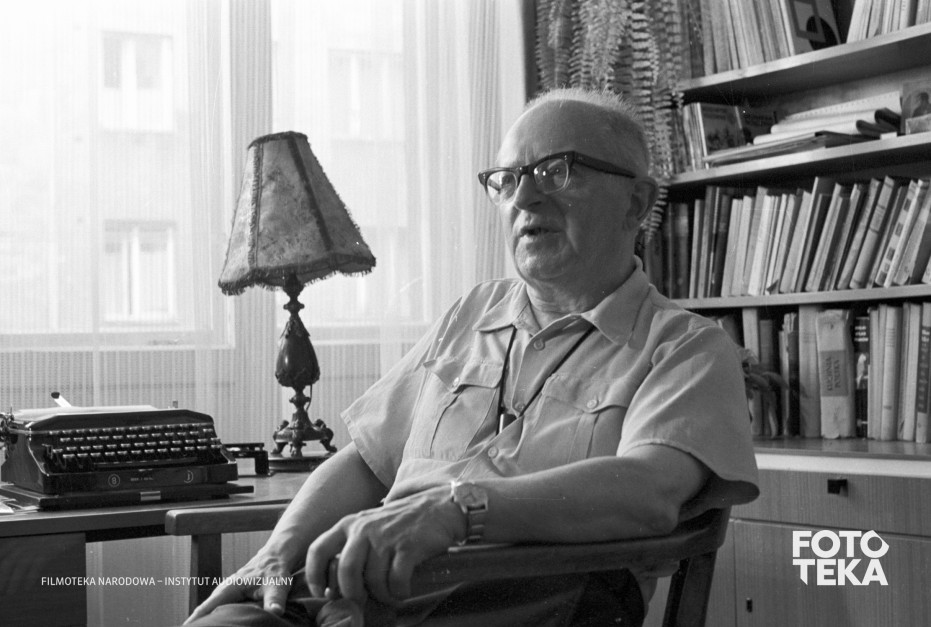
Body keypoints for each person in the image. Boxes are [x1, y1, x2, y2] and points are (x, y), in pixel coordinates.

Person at [182, 87, 759, 627]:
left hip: (522, 601)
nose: (525, 197)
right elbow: (367, 461)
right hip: (354, 588)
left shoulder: (686, 348)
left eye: (557, 171)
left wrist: (457, 510)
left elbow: (649, 490)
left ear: (637, 202)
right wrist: (278, 549)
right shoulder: (472, 312)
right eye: (507, 180)